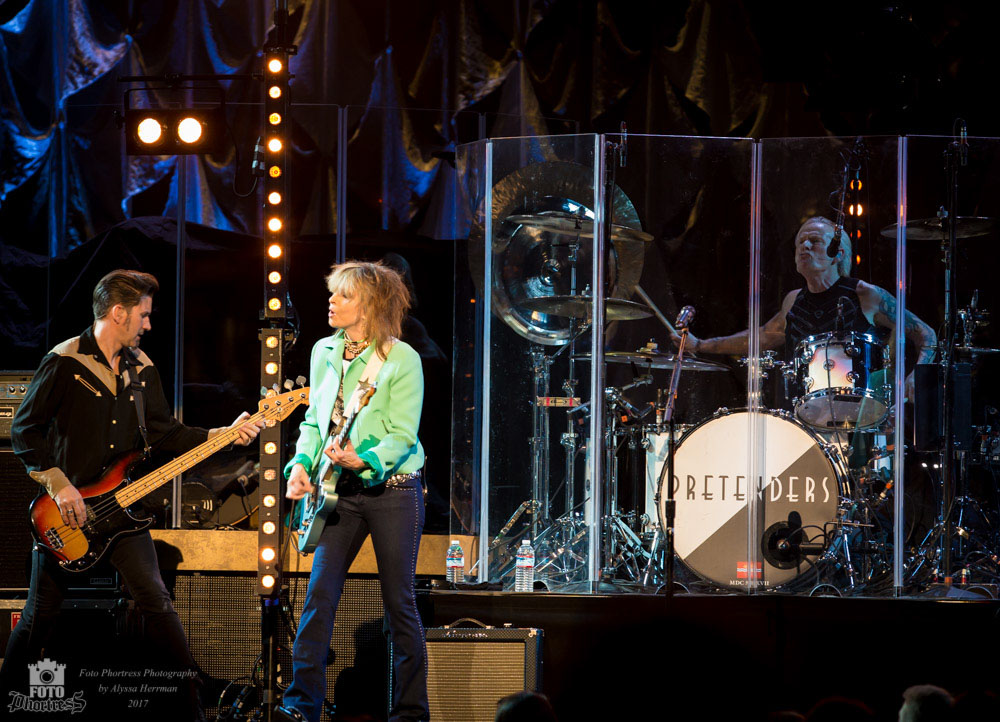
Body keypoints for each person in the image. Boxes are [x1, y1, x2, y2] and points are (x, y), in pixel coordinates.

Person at [1, 269, 263, 719]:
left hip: (123, 513)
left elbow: (166, 435)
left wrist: (225, 434)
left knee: (157, 601)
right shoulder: (65, 361)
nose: (148, 324)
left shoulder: (143, 370)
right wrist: (60, 485)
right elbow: (24, 431)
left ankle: (190, 707)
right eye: (143, 314)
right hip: (65, 516)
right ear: (119, 313)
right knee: (39, 614)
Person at [277, 261, 427, 722]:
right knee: (318, 596)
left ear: (370, 306)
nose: (332, 302)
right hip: (336, 489)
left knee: (399, 602)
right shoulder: (322, 350)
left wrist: (367, 458)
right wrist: (300, 465)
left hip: (394, 490)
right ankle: (301, 706)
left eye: (343, 296)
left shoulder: (401, 358)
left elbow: (402, 434)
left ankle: (409, 713)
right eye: (333, 294)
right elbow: (312, 423)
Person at [677, 216, 937, 401]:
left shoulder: (864, 294)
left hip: (863, 413)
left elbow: (926, 334)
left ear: (838, 254)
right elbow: (763, 336)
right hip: (806, 408)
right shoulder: (793, 300)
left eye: (814, 240)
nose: (805, 246)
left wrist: (916, 376)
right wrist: (700, 345)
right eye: (800, 242)